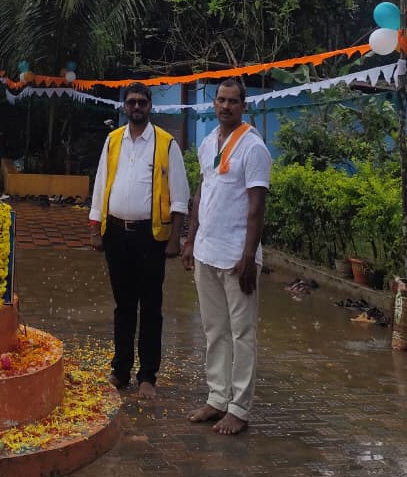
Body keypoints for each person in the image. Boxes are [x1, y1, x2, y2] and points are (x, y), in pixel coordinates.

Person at [89, 83, 189, 400]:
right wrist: (95, 229)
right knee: (123, 306)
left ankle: (147, 375)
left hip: (150, 237)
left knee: (151, 307)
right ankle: (120, 370)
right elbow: (101, 185)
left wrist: (175, 238)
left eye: (142, 102)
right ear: (124, 107)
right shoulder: (112, 141)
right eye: (131, 102)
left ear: (149, 107)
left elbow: (180, 196)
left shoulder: (165, 144)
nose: (136, 107)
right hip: (116, 233)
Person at [183, 77, 271, 436]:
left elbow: (257, 207)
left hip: (238, 258)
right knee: (214, 330)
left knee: (242, 333)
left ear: (243, 105)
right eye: (220, 100)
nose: (225, 106)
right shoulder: (206, 143)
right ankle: (217, 397)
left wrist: (249, 255)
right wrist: (190, 240)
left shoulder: (253, 148)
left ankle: (239, 407)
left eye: (233, 101)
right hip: (207, 251)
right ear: (214, 103)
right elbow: (202, 192)